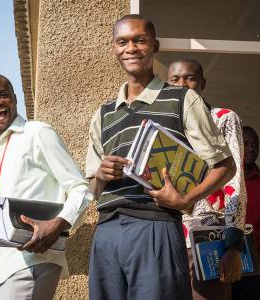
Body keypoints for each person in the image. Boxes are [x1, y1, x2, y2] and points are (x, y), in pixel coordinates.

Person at [86, 15, 236, 300]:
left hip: (155, 226)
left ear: (154, 45)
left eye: (139, 40)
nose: (131, 48)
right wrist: (100, 175)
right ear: (114, 49)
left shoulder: (182, 99)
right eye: (122, 42)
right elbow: (93, 191)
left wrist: (187, 199)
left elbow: (225, 165)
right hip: (106, 231)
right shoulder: (103, 114)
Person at [0, 73, 92, 300]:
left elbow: (80, 188)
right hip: (5, 267)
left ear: (14, 99)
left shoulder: (37, 133)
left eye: (2, 95)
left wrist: (56, 225)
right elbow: (9, 220)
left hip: (34, 261)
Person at [164, 58, 247, 300]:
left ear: (202, 83)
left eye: (190, 78)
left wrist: (233, 243)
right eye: (175, 80)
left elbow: (235, 181)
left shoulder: (222, 118)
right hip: (167, 239)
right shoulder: (164, 126)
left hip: (209, 240)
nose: (183, 85)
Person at [232, 126, 260, 300]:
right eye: (246, 143)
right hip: (227, 269)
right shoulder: (223, 182)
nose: (251, 148)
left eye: (255, 145)